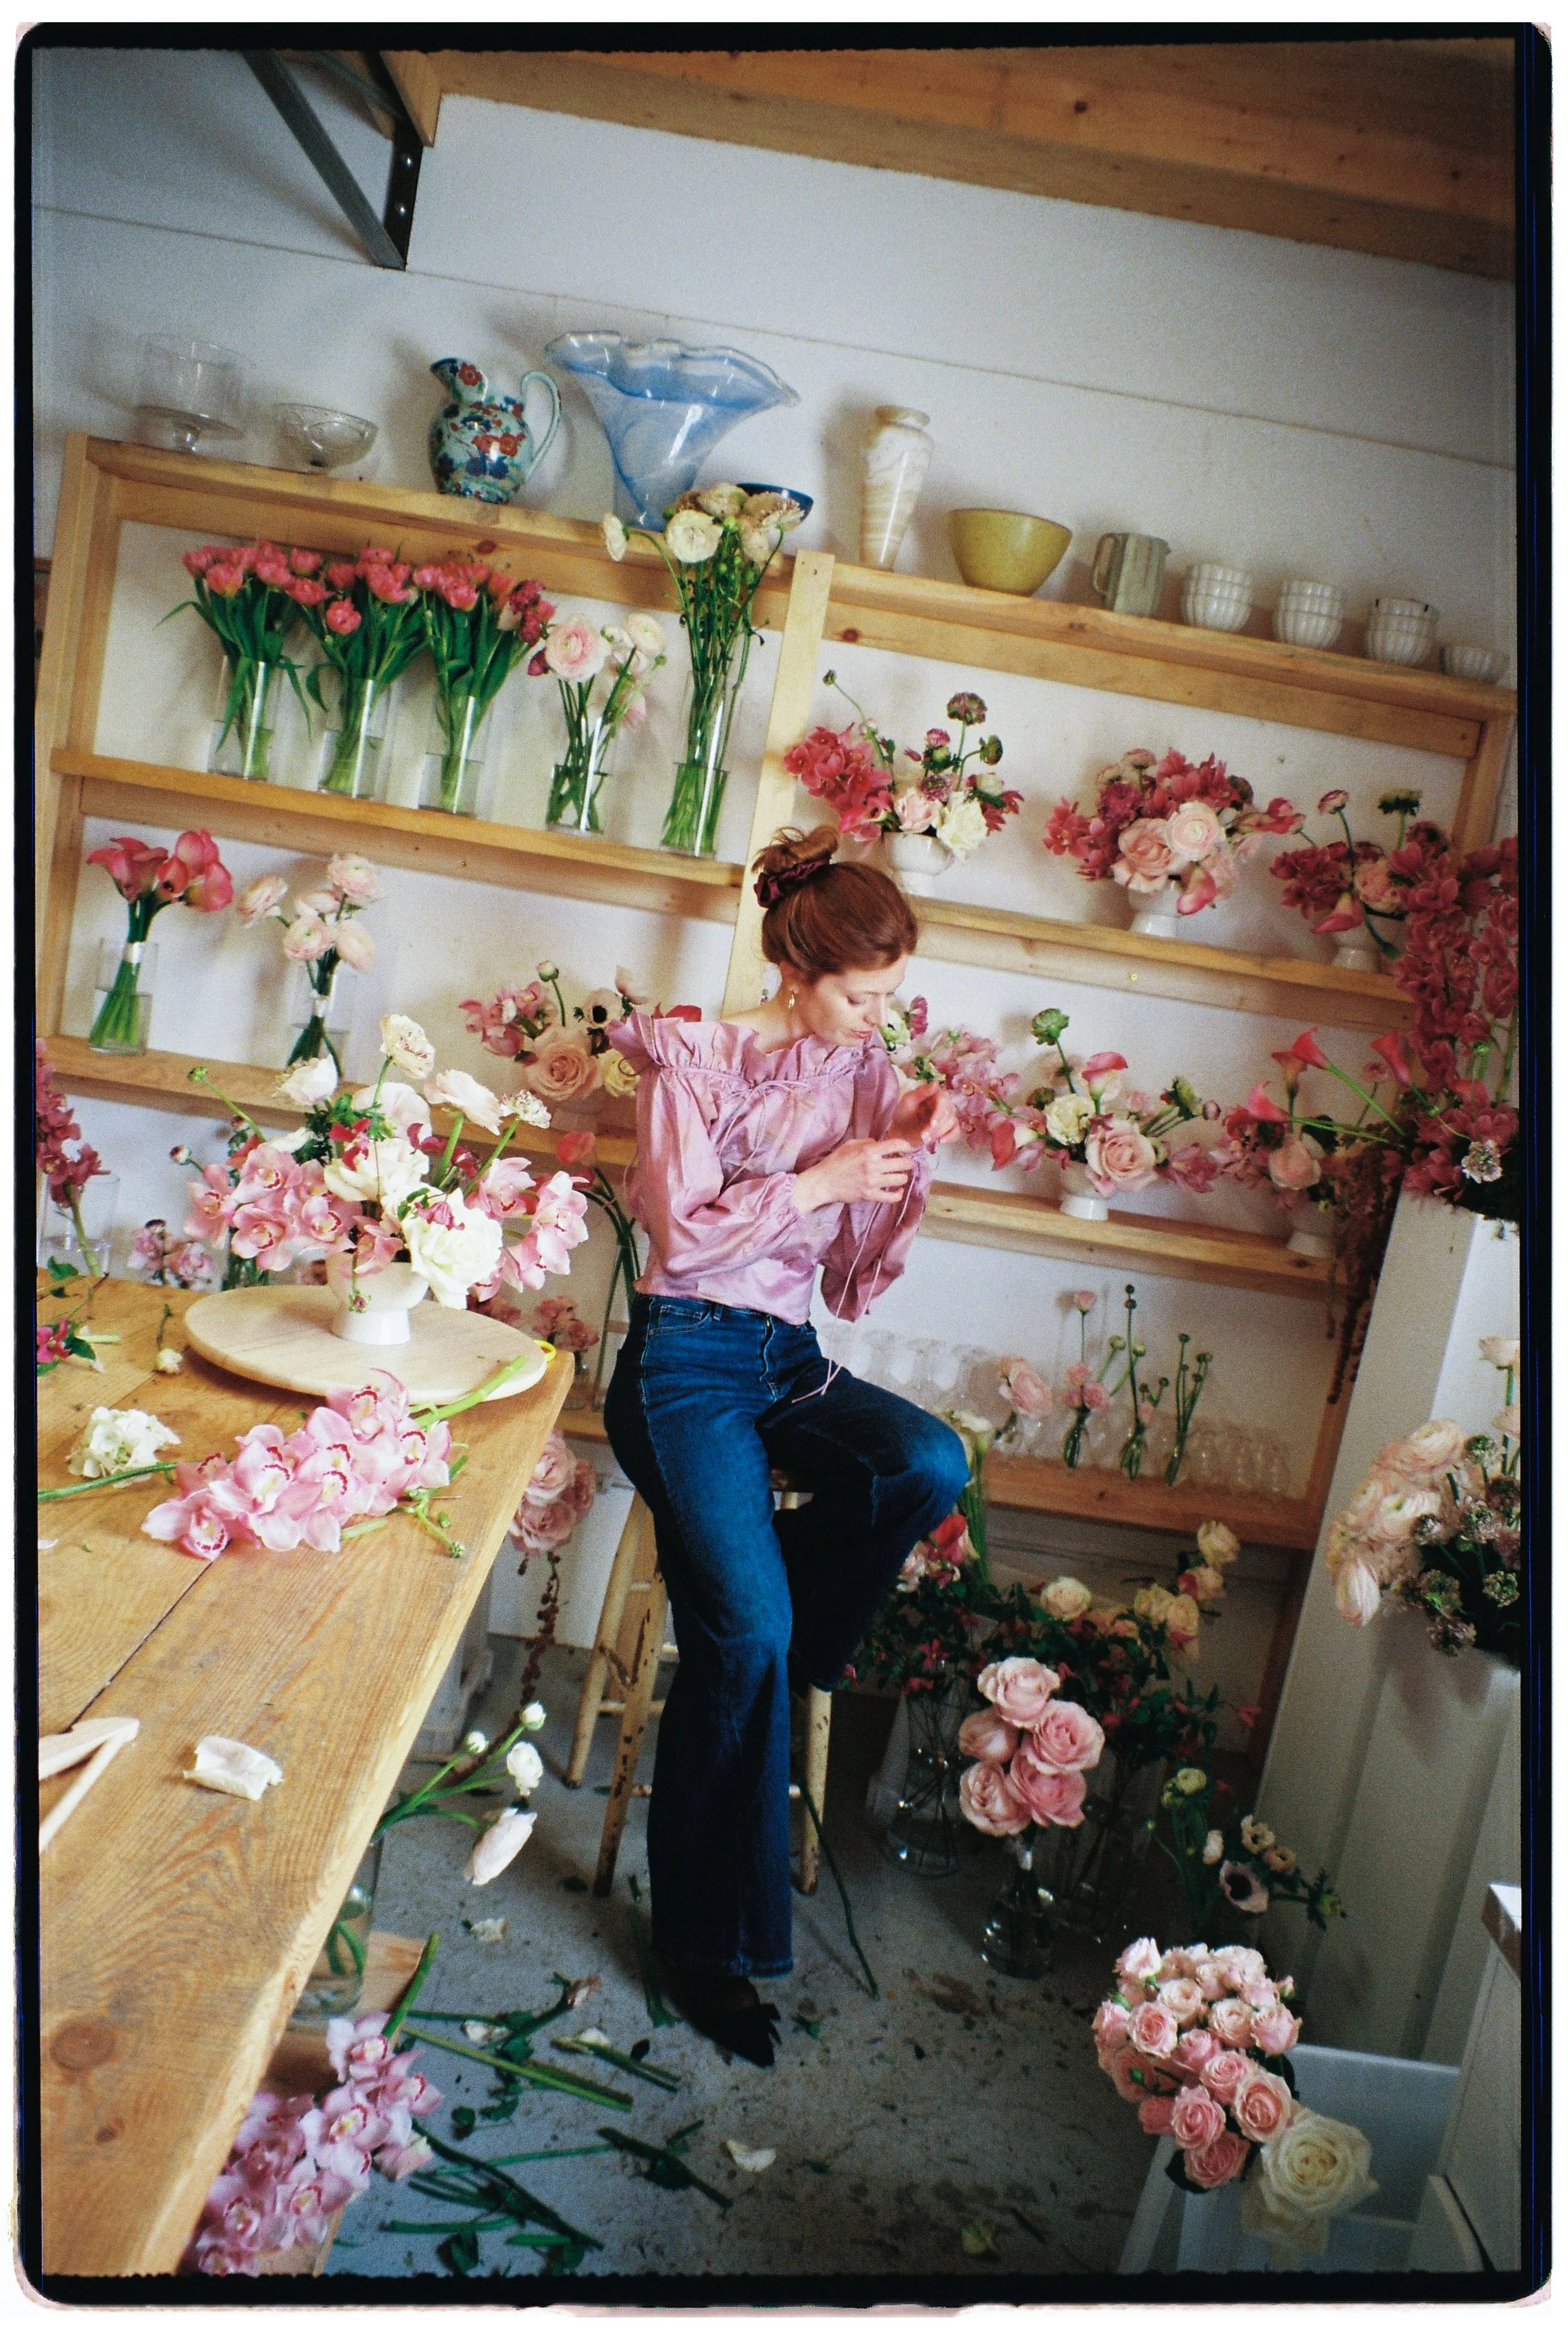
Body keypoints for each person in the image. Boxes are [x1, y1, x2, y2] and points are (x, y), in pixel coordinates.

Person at [603, 825, 970, 2065]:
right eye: (862, 997)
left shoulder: (864, 1077)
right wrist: (819, 1186)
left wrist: (902, 1165)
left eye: (889, 999)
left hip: (788, 1359)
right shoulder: (691, 1059)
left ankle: (787, 1640)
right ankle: (708, 1952)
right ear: (796, 969)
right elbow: (687, 1235)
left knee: (928, 1461)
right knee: (740, 1637)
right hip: (683, 1364)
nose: (877, 1021)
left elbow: (858, 1286)